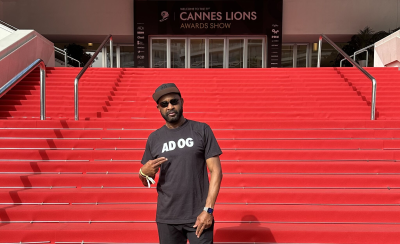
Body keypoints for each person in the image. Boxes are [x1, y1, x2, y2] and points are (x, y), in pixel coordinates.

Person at [139, 83, 223, 244]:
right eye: (164, 104)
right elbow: (145, 181)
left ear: (182, 102)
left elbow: (216, 171)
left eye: (174, 101)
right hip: (167, 217)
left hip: (199, 216)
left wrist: (208, 210)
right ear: (159, 108)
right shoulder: (154, 138)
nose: (170, 107)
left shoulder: (201, 130)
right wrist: (143, 172)